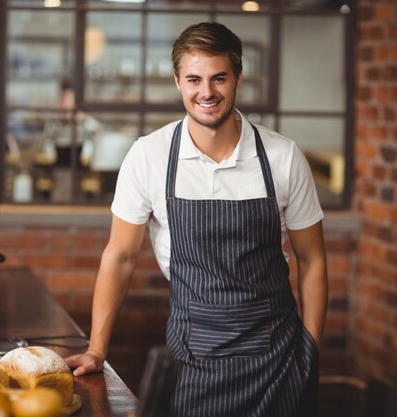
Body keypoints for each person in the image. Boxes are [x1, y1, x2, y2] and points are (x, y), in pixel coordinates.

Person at [65, 21, 328, 417]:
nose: (207, 92)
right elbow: (119, 256)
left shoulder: (283, 157)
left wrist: (310, 352)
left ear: (238, 77)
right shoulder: (149, 156)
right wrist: (97, 349)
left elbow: (313, 259)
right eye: (194, 79)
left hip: (279, 360)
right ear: (177, 81)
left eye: (219, 78)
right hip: (194, 360)